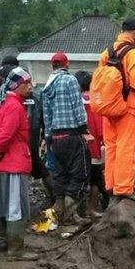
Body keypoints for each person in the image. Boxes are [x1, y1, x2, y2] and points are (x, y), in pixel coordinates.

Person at [98, 20, 135, 201]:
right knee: (126, 148)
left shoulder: (106, 53)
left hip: (108, 107)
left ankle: (111, 184)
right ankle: (123, 188)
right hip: (128, 107)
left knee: (112, 147)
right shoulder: (134, 53)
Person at [0, 67, 34, 254]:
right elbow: (5, 134)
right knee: (15, 206)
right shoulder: (14, 106)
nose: (30, 87)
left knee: (4, 203)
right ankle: (15, 249)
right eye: (26, 83)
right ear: (17, 86)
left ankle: (5, 243)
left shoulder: (2, 103)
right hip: (14, 162)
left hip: (4, 163)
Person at [42, 52, 92, 223]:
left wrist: (48, 136)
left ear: (52, 66)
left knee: (61, 174)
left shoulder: (47, 85)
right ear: (67, 64)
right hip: (72, 134)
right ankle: (72, 215)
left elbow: (46, 114)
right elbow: (77, 107)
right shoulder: (70, 80)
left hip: (55, 137)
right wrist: (84, 127)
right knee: (80, 173)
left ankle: (58, 211)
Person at [75, 71, 106, 217]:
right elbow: (101, 131)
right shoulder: (97, 104)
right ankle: (91, 209)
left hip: (77, 149)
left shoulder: (74, 103)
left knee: (78, 179)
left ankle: (76, 210)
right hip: (94, 149)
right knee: (96, 180)